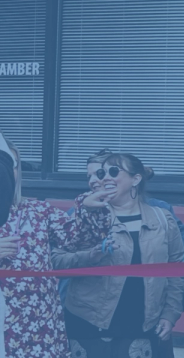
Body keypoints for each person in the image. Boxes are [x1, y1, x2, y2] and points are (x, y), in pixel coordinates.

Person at [0, 136, 115, 357]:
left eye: (13, 166)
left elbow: (77, 239)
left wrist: (88, 209)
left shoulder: (39, 211)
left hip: (37, 320)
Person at [62, 153, 184, 358]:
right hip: (88, 324)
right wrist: (89, 256)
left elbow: (176, 272)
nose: (105, 178)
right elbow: (57, 260)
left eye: (113, 171)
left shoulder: (163, 219)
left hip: (142, 326)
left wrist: (170, 314)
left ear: (135, 179)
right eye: (102, 173)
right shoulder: (86, 215)